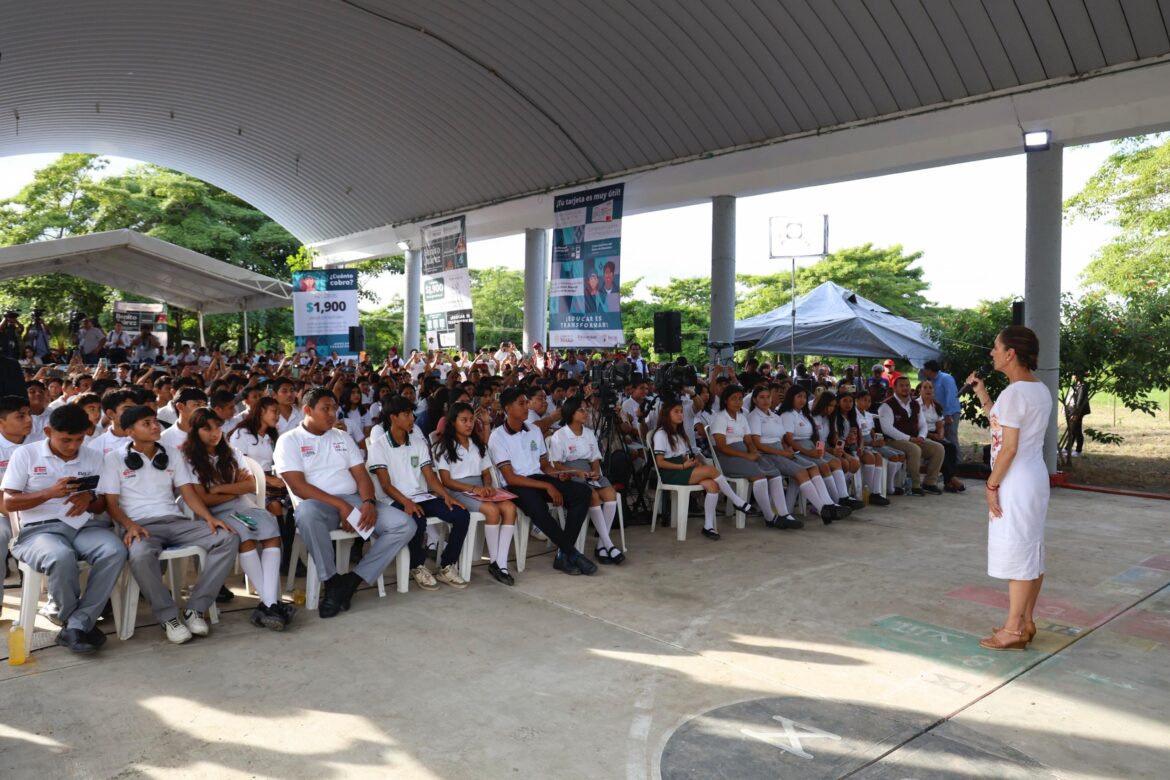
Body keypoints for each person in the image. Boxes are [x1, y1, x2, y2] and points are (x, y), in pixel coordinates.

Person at [100, 405, 238, 645]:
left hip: (175, 522)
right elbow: (111, 503)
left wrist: (209, 518)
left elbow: (188, 493)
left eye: (155, 421)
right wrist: (129, 525)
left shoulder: (172, 454)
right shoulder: (113, 459)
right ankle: (168, 617)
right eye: (147, 423)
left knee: (227, 537)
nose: (155, 426)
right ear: (130, 431)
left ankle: (195, 609)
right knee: (141, 555)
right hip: (140, 526)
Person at [274, 388, 414, 618]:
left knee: (404, 525)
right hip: (318, 504)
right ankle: (330, 580)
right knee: (306, 513)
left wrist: (368, 502)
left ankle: (351, 580)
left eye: (334, 409)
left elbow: (361, 475)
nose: (332, 414)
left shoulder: (342, 437)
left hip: (354, 500)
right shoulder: (289, 441)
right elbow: (298, 486)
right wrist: (341, 507)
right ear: (307, 410)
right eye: (325, 409)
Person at [3, 404, 127, 654]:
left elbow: (102, 501)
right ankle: (77, 623)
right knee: (60, 556)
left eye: (79, 439)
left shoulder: (92, 455)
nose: (72, 446)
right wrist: (49, 493)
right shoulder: (26, 454)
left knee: (115, 550)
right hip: (38, 531)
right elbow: (9, 502)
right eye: (66, 440)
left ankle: (75, 624)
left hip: (82, 526)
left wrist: (89, 500)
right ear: (48, 431)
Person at [966, 326, 1052, 651]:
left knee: (1019, 551)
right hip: (1033, 477)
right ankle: (1027, 621)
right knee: (1031, 549)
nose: (992, 353)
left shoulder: (1015, 394)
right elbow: (1001, 425)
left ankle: (1014, 628)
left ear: (1010, 353)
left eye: (995, 347)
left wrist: (991, 484)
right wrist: (982, 393)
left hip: (1015, 479)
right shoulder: (1036, 389)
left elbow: (1009, 448)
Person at [181, 408, 292, 630]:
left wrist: (219, 489)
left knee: (271, 532)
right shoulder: (188, 458)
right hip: (212, 514)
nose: (215, 433)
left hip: (242, 505)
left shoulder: (231, 453)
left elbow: (251, 484)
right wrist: (233, 489)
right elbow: (203, 499)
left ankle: (268, 604)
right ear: (195, 431)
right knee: (245, 538)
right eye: (207, 428)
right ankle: (271, 604)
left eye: (218, 427)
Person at [488, 387, 598, 576]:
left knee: (582, 493)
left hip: (538, 478)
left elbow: (545, 465)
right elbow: (510, 477)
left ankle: (563, 554)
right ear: (508, 408)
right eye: (521, 404)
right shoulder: (497, 436)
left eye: (526, 402)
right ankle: (571, 553)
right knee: (537, 506)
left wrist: (556, 476)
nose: (526, 407)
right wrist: (547, 486)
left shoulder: (533, 430)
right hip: (516, 485)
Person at [366, 396, 470, 591]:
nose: (412, 418)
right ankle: (416, 566)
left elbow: (431, 479)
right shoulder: (379, 446)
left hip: (419, 495)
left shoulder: (417, 443)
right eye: (406, 414)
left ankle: (447, 565)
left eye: (412, 413)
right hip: (392, 498)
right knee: (417, 516)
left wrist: (446, 496)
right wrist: (406, 502)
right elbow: (386, 485)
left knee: (461, 513)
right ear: (393, 417)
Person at [435, 402, 519, 585]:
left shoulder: (477, 444)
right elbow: (446, 481)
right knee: (492, 511)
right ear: (452, 422)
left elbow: (486, 473)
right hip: (458, 490)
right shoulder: (445, 447)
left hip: (480, 488)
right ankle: (496, 562)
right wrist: (474, 489)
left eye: (471, 420)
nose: (469, 424)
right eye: (463, 420)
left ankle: (501, 563)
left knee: (511, 508)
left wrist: (487, 485)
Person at [652, 397, 753, 540]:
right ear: (666, 414)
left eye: (681, 411)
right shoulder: (661, 434)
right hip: (671, 472)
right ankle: (736, 500)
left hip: (683, 469)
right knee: (712, 470)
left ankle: (708, 526)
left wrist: (693, 464)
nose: (681, 415)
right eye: (676, 412)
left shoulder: (680, 434)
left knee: (712, 485)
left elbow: (684, 457)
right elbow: (660, 462)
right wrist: (682, 466)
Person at [548, 395, 624, 563]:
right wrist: (576, 472)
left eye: (586, 409)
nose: (586, 413)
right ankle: (608, 545)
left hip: (590, 471)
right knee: (593, 496)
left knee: (610, 495)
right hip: (571, 473)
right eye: (581, 410)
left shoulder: (589, 433)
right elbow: (557, 465)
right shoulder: (560, 435)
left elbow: (595, 458)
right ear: (570, 412)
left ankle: (601, 545)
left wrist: (596, 471)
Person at [709, 384, 797, 529]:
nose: (737, 402)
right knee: (759, 476)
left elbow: (749, 440)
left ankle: (784, 514)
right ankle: (770, 517)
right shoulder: (720, 418)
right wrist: (746, 455)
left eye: (739, 399)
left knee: (774, 473)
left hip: (743, 453)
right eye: (733, 399)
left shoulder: (741, 417)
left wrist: (753, 451)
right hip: (727, 457)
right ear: (726, 401)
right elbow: (722, 447)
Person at [777, 385, 851, 521]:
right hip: (797, 449)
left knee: (828, 464)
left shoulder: (804, 415)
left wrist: (819, 450)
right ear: (791, 398)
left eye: (805, 397)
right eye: (799, 396)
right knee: (819, 466)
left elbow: (815, 436)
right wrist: (808, 452)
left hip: (809, 446)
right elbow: (788, 439)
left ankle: (834, 502)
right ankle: (830, 504)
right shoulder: (787, 415)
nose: (803, 400)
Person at [877, 376, 946, 496]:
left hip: (914, 439)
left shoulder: (915, 404)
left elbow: (923, 425)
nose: (905, 388)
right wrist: (909, 439)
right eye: (902, 386)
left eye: (907, 385)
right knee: (915, 449)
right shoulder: (887, 405)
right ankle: (914, 485)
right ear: (895, 388)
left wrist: (921, 437)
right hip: (893, 440)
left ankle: (930, 483)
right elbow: (887, 429)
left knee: (938, 448)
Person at [918, 380, 964, 493]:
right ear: (920, 390)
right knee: (940, 448)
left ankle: (948, 481)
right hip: (921, 434)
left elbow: (940, 425)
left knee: (951, 447)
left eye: (930, 387)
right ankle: (951, 479)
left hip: (935, 434)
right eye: (925, 387)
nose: (928, 390)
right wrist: (931, 436)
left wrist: (940, 435)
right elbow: (915, 426)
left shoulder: (936, 406)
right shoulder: (916, 405)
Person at [921, 360, 961, 454]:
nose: (923, 372)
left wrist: (948, 413)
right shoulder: (932, 381)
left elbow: (951, 396)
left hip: (951, 412)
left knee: (951, 437)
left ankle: (957, 463)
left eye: (925, 370)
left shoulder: (946, 378)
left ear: (930, 370)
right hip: (940, 413)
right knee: (941, 437)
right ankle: (947, 463)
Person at [1063, 373, 1090, 458]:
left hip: (1077, 412)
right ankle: (1068, 448)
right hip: (1071, 410)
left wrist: (1075, 413)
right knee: (1072, 430)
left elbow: (1079, 401)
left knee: (1077, 430)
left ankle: (1078, 450)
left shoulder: (1082, 386)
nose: (1073, 377)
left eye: (1074, 375)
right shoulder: (1075, 385)